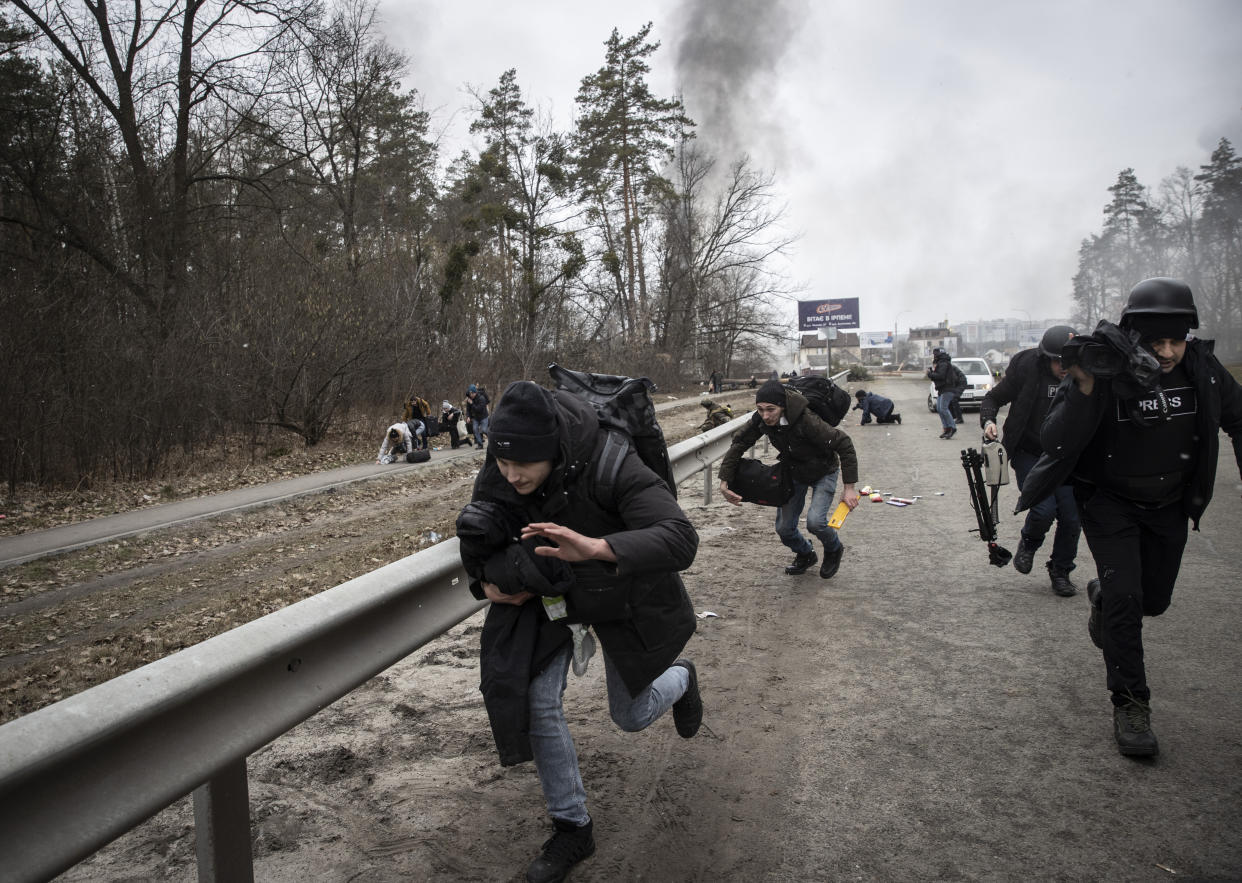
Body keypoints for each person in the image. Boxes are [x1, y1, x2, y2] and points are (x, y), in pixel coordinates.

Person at [457, 380, 703, 881]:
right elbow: (484, 540)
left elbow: (680, 538)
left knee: (630, 715)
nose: (510, 475)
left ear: (552, 450)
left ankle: (680, 679)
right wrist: (484, 587)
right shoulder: (504, 466)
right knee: (535, 699)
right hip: (551, 589)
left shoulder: (611, 460)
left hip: (619, 587)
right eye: (501, 464)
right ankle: (573, 827)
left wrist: (597, 548)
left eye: (521, 465)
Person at [1018, 278, 1242, 757]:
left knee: (1153, 601)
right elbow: (1055, 441)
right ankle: (1131, 704)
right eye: (1155, 342)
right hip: (1110, 503)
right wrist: (1081, 387)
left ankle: (1102, 597)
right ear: (1133, 335)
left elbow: (1239, 419)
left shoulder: (1201, 368)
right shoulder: (1104, 368)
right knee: (1127, 600)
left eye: (1175, 341)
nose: (1166, 352)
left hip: (1169, 505)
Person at [717, 379, 861, 579]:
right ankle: (805, 553)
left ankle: (834, 548)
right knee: (784, 529)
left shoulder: (806, 420)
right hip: (794, 471)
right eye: (760, 409)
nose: (765, 416)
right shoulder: (761, 419)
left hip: (823, 470)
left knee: (815, 522)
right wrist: (724, 480)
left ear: (782, 406)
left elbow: (844, 443)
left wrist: (849, 488)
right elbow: (740, 443)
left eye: (771, 409)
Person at [980, 325, 1081, 597]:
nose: (1063, 368)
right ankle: (1029, 542)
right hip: (1029, 453)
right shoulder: (1027, 369)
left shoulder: (1085, 377)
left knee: (1072, 518)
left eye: (1068, 361)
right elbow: (993, 397)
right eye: (1058, 361)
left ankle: (1060, 570)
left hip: (1068, 458)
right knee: (1043, 509)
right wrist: (989, 421)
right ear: (1046, 357)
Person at [927, 349, 964, 439]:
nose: (933, 357)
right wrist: (932, 373)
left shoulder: (943, 363)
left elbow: (941, 376)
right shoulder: (942, 362)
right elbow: (939, 376)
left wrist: (930, 374)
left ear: (937, 355)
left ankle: (952, 427)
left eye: (934, 355)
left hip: (947, 389)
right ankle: (946, 428)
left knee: (943, 409)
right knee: (940, 409)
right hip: (942, 389)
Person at [466, 384, 490, 448]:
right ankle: (480, 444)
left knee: (484, 430)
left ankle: (492, 439)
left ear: (475, 393)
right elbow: (468, 409)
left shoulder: (481, 398)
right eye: (470, 394)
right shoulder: (469, 399)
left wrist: (472, 403)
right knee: (475, 429)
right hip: (476, 417)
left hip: (483, 416)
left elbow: (478, 409)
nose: (471, 395)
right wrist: (468, 416)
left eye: (472, 394)